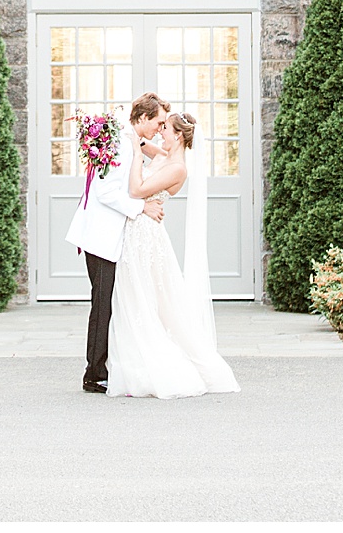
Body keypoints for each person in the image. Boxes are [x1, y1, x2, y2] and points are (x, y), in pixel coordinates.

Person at [105, 107, 240, 398]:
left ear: (178, 136)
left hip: (147, 238)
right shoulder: (166, 155)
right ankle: (135, 366)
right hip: (139, 233)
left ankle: (155, 368)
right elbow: (138, 140)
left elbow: (138, 189)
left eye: (165, 127)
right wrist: (123, 129)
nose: (160, 130)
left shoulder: (177, 167)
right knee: (137, 299)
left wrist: (137, 154)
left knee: (148, 300)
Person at [64, 92, 165, 394]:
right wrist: (142, 207)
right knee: (102, 304)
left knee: (108, 302)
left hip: (108, 236)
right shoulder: (120, 145)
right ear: (144, 118)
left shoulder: (128, 137)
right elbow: (105, 193)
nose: (160, 129)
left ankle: (101, 367)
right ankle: (93, 373)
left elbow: (150, 149)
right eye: (158, 123)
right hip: (99, 237)